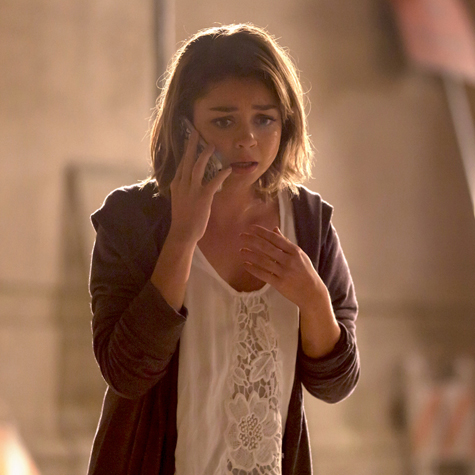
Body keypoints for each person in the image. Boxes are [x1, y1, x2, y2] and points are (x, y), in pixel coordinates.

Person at [87, 23, 359, 475]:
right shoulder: (131, 219)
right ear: (185, 125)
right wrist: (182, 237)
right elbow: (126, 373)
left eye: (264, 119)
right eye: (224, 120)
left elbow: (336, 385)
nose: (246, 139)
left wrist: (313, 299)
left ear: (286, 122)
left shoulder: (309, 223)